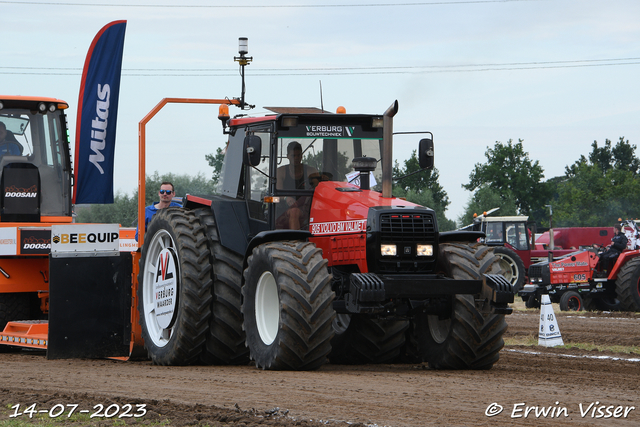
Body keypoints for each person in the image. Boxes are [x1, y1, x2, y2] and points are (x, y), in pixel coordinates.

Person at [275, 141, 319, 230]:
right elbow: (277, 193)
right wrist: (286, 198)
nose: (296, 158)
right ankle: (296, 242)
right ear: (287, 156)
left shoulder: (311, 171)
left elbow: (318, 190)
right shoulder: (281, 172)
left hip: (306, 209)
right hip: (284, 209)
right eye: (293, 156)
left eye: (298, 155)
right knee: (294, 211)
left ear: (302, 155)